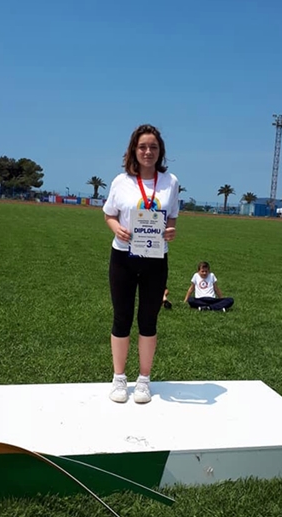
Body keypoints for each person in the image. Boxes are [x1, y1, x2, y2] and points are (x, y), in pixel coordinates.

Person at [103, 124, 179, 404]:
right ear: (134, 150)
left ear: (160, 151)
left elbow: (172, 216)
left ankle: (144, 381)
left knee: (149, 319)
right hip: (123, 256)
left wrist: (170, 231)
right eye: (143, 147)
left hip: (155, 259)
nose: (148, 152)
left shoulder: (170, 181)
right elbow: (109, 215)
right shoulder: (120, 181)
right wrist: (116, 229)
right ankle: (119, 378)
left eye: (153, 147)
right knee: (121, 317)